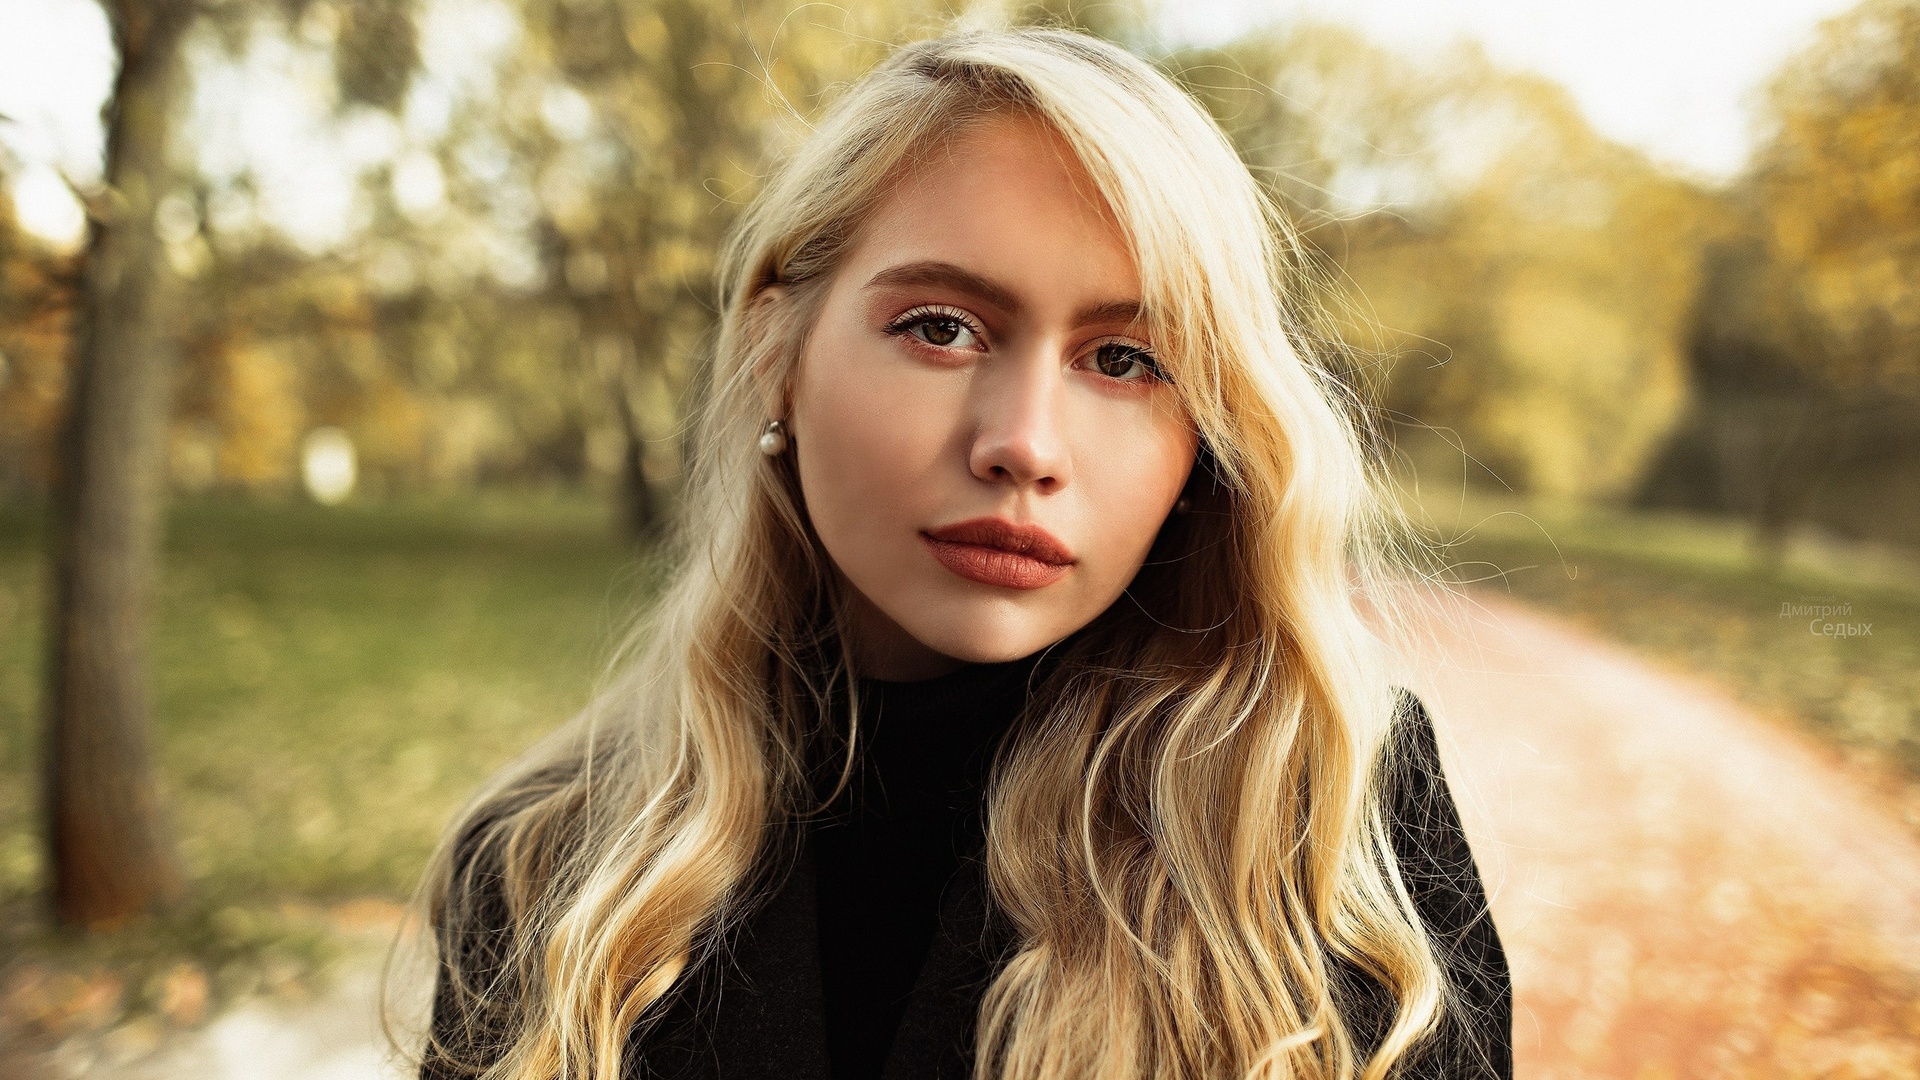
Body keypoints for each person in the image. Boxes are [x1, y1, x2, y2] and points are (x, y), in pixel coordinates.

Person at [410, 25, 1510, 1080]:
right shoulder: (549, 862)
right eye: (941, 328)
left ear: (1208, 434)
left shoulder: (1324, 821)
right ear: (773, 353)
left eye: (1124, 358)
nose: (1023, 445)